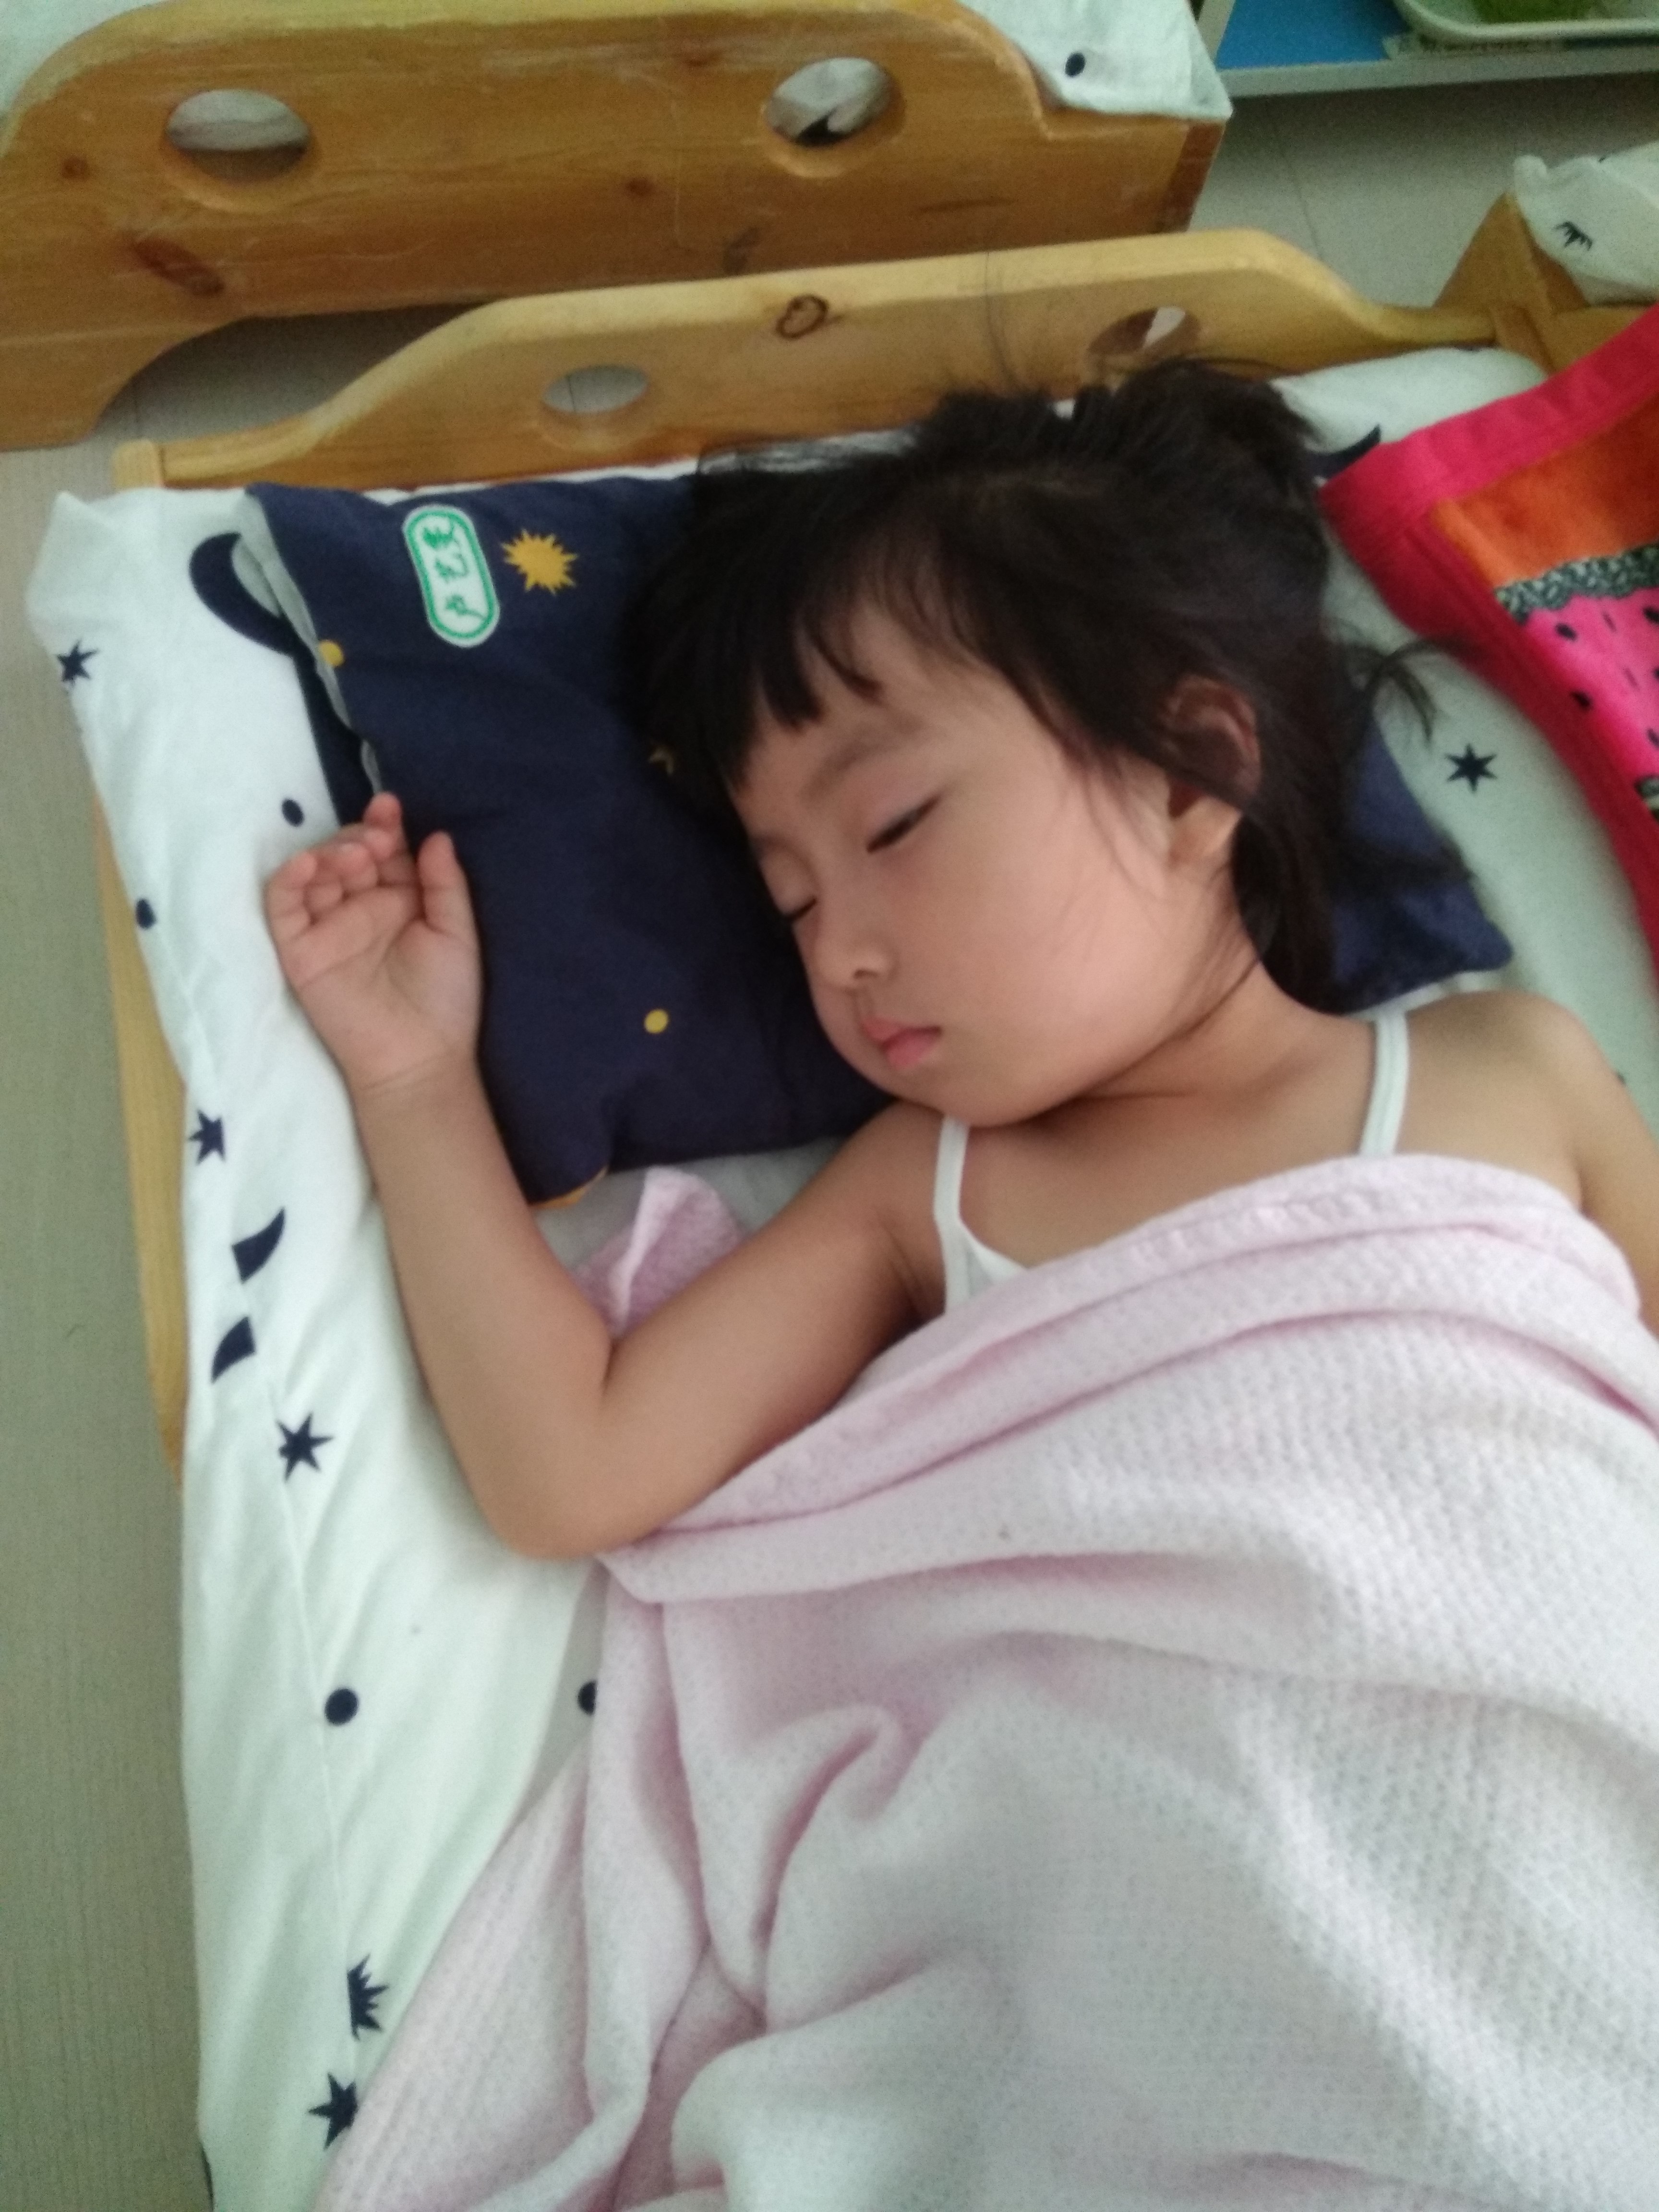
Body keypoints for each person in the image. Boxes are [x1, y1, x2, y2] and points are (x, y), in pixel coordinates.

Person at [264, 364, 1659, 1562]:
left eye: (895, 826)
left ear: (1190, 771)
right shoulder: (927, 1190)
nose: (839, 954)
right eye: (792, 901)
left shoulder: (1513, 1069)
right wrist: (415, 1079)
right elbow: (571, 1473)